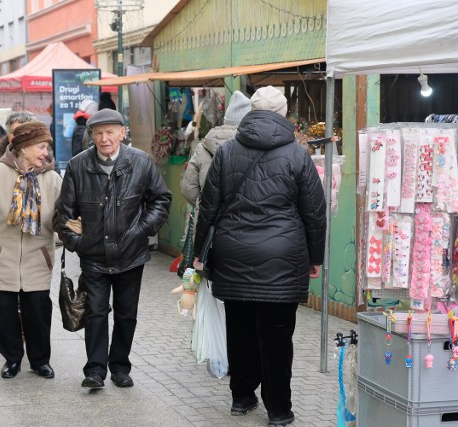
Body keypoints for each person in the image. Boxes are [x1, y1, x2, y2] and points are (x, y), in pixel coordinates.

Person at [193, 85, 326, 426]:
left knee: (239, 330)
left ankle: (242, 398)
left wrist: (199, 255)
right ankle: (279, 411)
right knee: (277, 337)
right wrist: (315, 257)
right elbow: (314, 211)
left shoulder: (227, 151)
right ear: (283, 115)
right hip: (283, 258)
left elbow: (208, 206)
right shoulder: (297, 155)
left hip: (233, 254)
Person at [54, 109, 172, 389]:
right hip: (93, 257)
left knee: (126, 312)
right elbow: (64, 214)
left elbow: (161, 200)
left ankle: (120, 366)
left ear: (122, 133)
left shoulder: (141, 162)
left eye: (110, 132)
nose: (104, 138)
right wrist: (78, 243)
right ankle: (95, 370)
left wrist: (142, 230)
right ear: (91, 136)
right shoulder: (77, 165)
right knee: (95, 311)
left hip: (131, 255)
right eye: (98, 133)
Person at [0, 121, 62, 379]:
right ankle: (12, 357)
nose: (45, 152)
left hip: (37, 257)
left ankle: (40, 360)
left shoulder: (52, 179)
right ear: (24, 147)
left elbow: (62, 214)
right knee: (1, 314)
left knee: (38, 313)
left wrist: (71, 226)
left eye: (47, 147)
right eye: (40, 146)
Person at [181, 91, 251, 207]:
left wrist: (205, 208)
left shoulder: (202, 148)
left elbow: (188, 190)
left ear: (226, 119)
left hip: (210, 221)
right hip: (246, 220)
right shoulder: (254, 145)